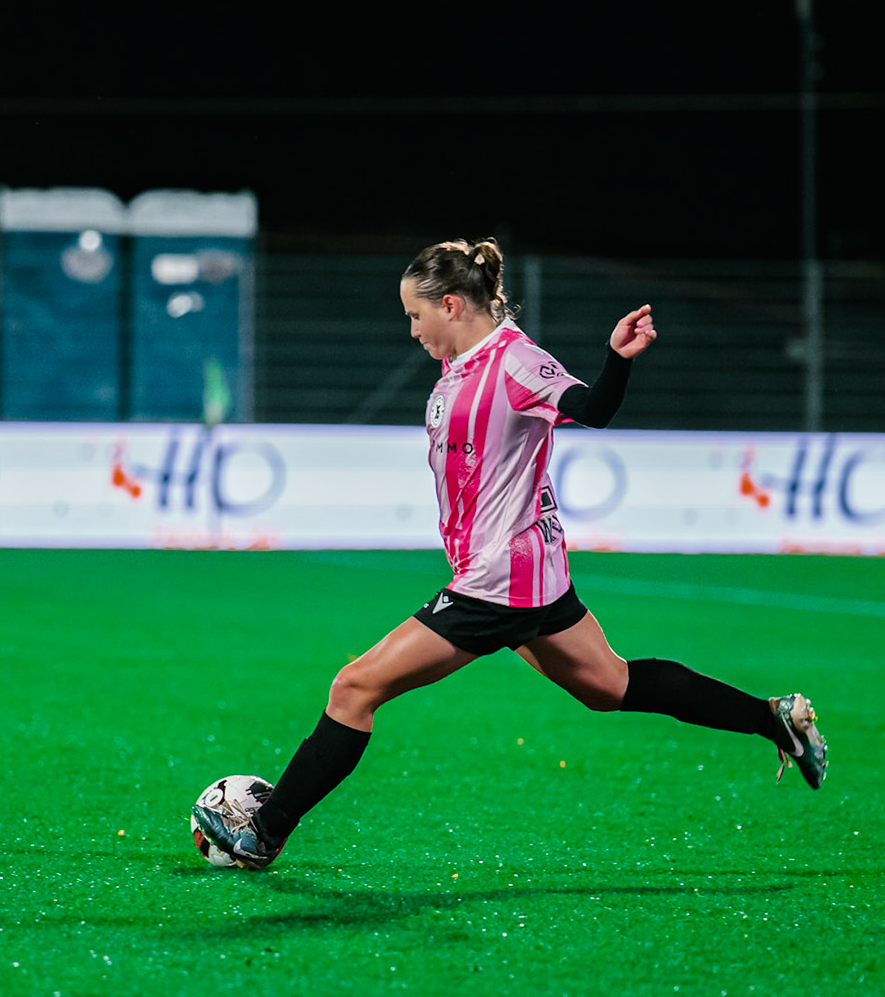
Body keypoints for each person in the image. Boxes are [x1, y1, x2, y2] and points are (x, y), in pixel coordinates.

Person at [193, 237, 827, 870]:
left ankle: (263, 834)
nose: (411, 330)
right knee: (611, 685)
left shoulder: (514, 360)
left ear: (450, 305)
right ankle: (774, 719)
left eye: (416, 316)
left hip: (499, 582)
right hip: (530, 578)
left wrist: (617, 359)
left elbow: (592, 409)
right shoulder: (459, 364)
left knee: (354, 688)